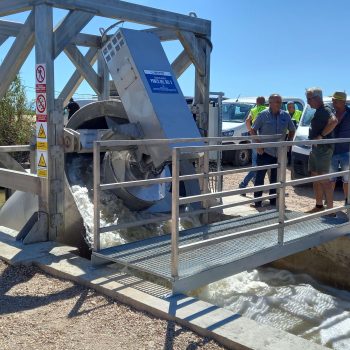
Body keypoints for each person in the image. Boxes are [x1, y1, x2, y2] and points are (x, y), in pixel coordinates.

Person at [250, 94, 296, 207]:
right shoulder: (263, 115)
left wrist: (289, 143)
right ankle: (257, 202)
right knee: (260, 177)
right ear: (270, 103)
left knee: (275, 178)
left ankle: (273, 201)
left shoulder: (285, 115)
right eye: (278, 102)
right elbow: (252, 130)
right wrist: (259, 145)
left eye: (280, 102)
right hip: (265, 151)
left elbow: (292, 130)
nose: (280, 104)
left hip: (279, 153)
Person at [305, 88, 338, 214]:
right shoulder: (319, 111)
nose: (308, 102)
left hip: (323, 150)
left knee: (324, 179)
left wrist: (321, 136)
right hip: (316, 149)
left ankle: (330, 210)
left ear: (317, 98)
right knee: (315, 177)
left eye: (309, 99)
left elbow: (334, 121)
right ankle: (319, 206)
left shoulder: (325, 110)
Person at [238, 96, 267, 194]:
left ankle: (245, 184)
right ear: (265, 103)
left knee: (256, 163)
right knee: (262, 163)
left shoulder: (254, 110)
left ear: (257, 102)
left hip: (255, 137)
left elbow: (247, 121)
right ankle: (246, 183)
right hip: (266, 138)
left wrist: (250, 131)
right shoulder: (268, 110)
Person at [330, 91, 350, 205]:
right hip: (332, 151)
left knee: (347, 179)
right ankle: (330, 202)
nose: (333, 102)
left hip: (346, 151)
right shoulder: (331, 113)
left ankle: (347, 201)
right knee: (330, 179)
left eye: (335, 100)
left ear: (342, 101)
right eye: (333, 100)